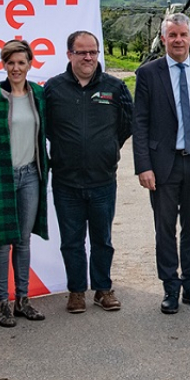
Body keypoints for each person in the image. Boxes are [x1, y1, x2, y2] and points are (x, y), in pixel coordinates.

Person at [133, 13, 190, 314]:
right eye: (172, 35)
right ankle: (170, 288)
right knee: (165, 228)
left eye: (183, 34)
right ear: (163, 39)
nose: (178, 40)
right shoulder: (148, 73)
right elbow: (140, 123)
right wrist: (143, 165)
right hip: (162, 164)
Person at [45, 31, 134, 314]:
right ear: (69, 54)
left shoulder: (115, 87)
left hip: (103, 180)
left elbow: (126, 124)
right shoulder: (53, 88)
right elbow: (46, 127)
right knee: (71, 241)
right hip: (66, 181)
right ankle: (76, 292)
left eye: (93, 52)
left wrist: (106, 148)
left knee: (102, 240)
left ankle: (103, 289)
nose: (88, 58)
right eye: (82, 52)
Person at [0, 39, 50, 327]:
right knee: (2, 242)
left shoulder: (38, 94)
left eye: (21, 63)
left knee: (23, 241)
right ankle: (2, 303)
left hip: (30, 176)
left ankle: (22, 300)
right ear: (4, 65)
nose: (16, 68)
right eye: (11, 63)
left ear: (30, 65)